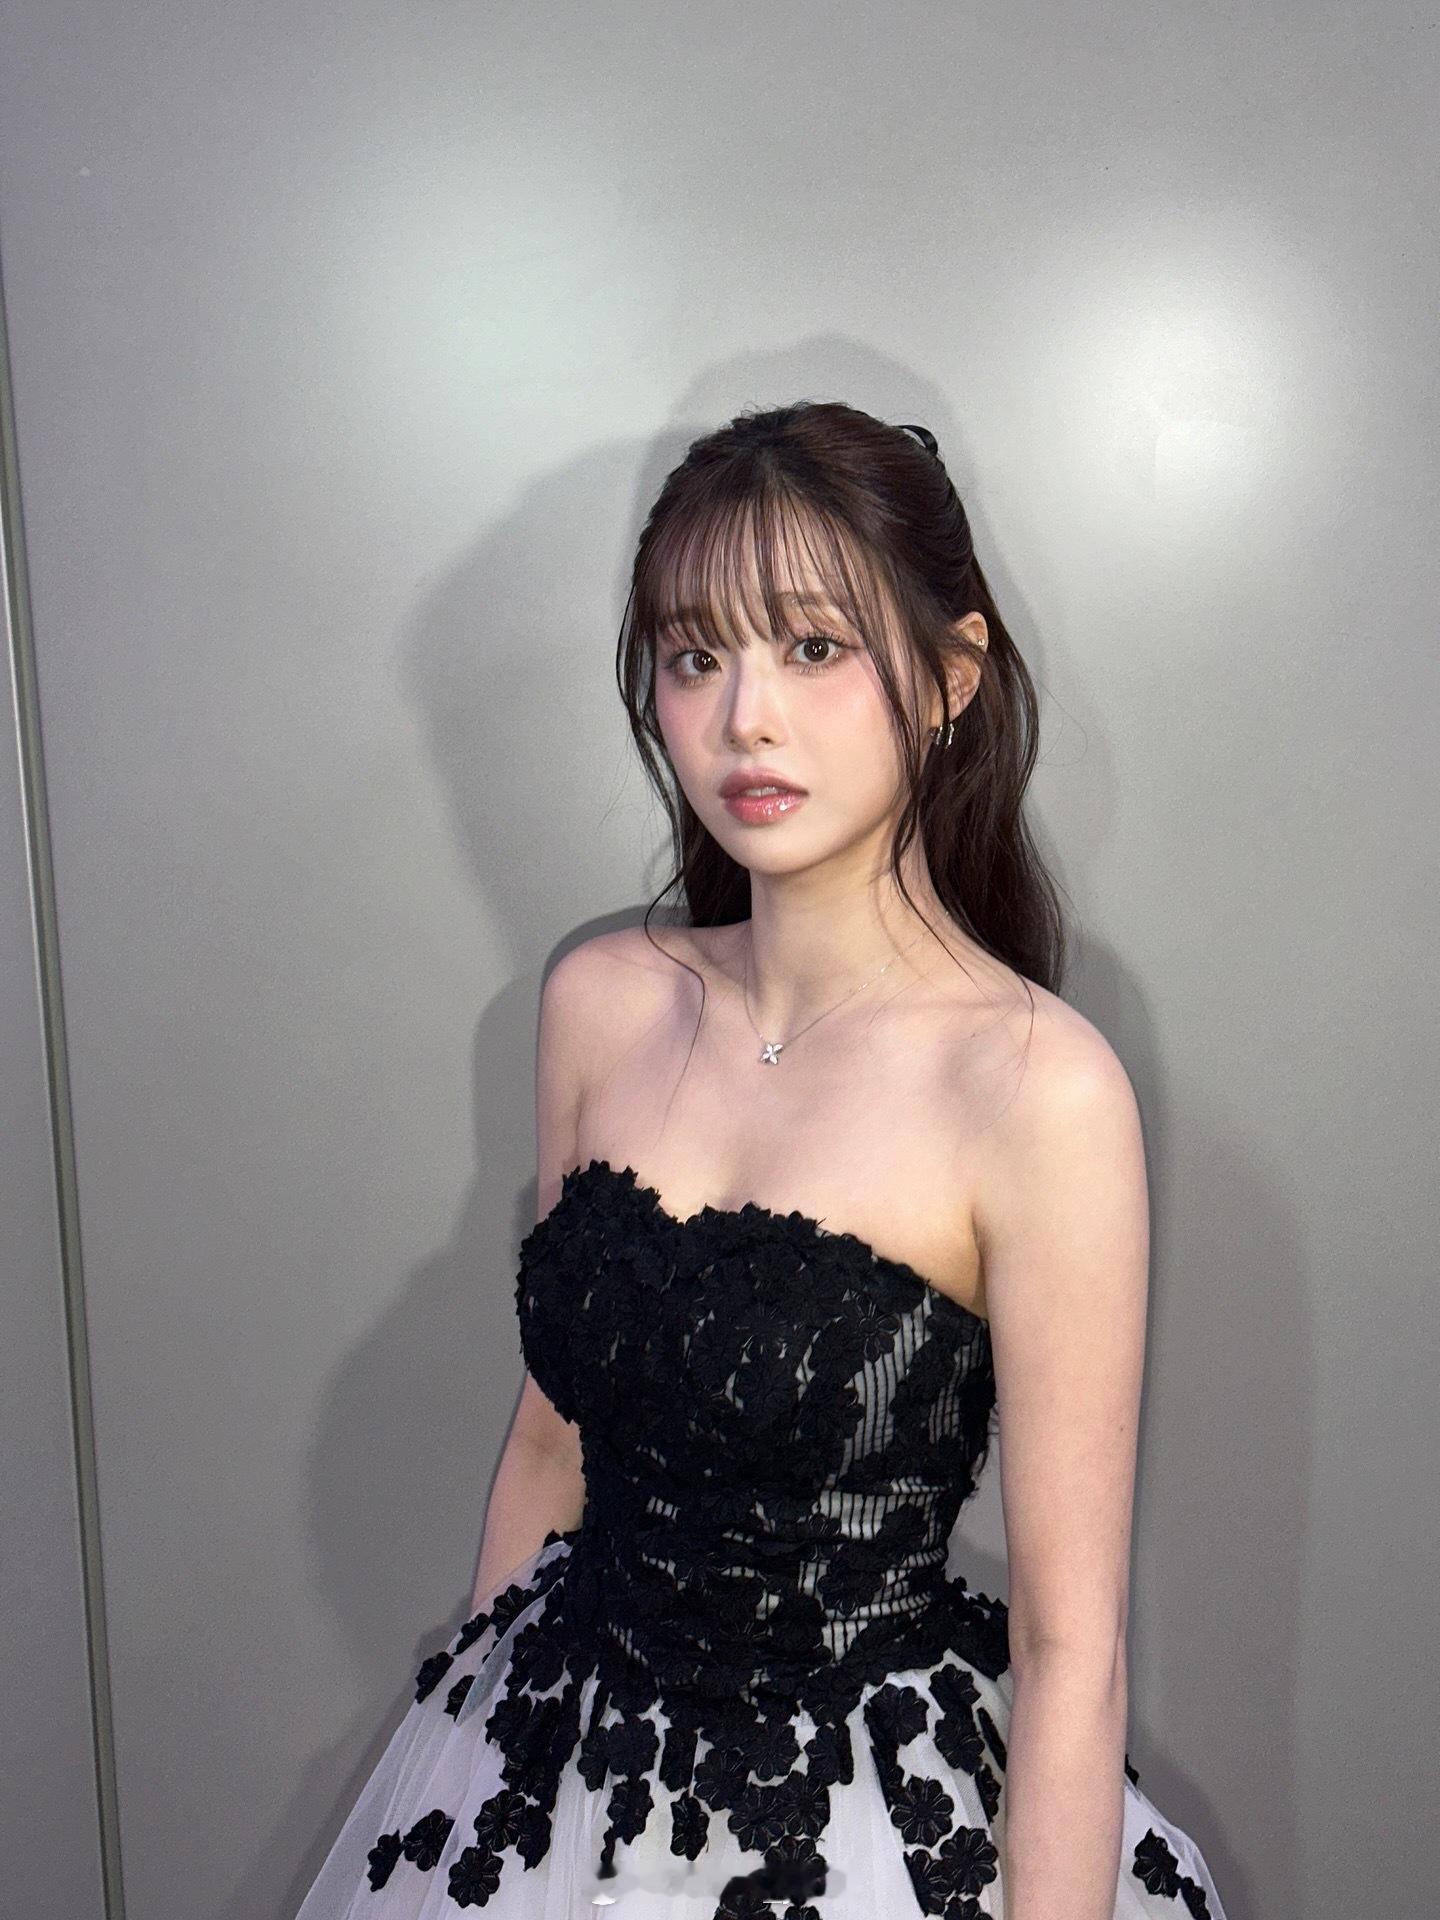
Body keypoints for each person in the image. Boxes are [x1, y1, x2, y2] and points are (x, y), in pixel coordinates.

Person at [293, 401, 1230, 1917]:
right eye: (693, 656)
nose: (745, 719)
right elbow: (551, 1444)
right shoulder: (600, 1002)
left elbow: (1073, 1649)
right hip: (561, 1773)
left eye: (812, 647)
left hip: (860, 1828)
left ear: (951, 675)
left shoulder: (1036, 1089)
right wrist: (480, 1807)